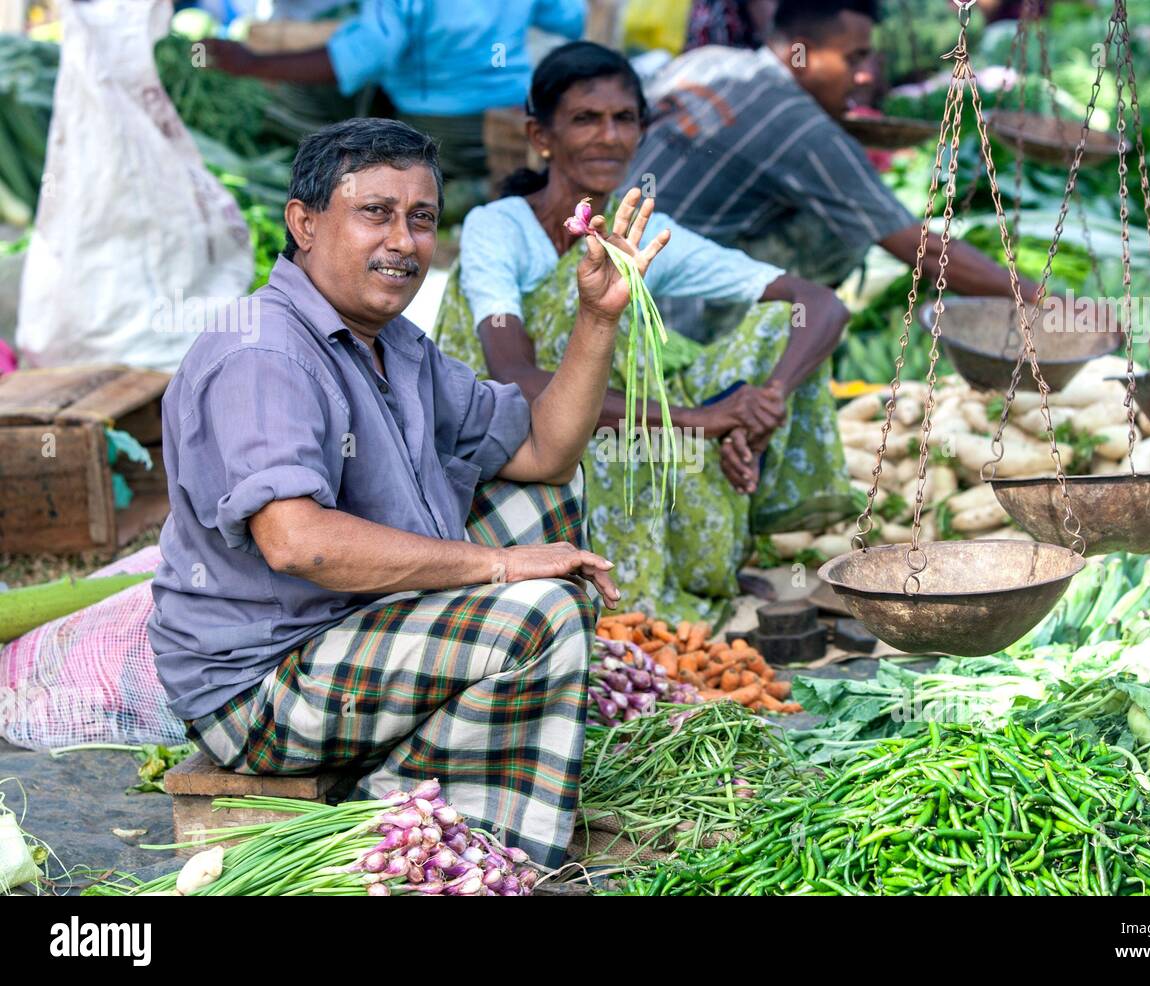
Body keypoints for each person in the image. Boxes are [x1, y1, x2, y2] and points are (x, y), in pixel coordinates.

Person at [147, 117, 669, 867]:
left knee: (545, 506)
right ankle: (446, 843)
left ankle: (406, 776)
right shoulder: (261, 352)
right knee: (540, 607)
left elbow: (547, 454)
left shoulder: (395, 343)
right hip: (262, 687)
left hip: (352, 633)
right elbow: (299, 541)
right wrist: (497, 567)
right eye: (375, 213)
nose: (403, 242)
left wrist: (597, 316)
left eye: (420, 219)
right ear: (304, 222)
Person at [433, 42, 855, 625]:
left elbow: (820, 303)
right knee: (597, 297)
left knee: (781, 322)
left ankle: (736, 489)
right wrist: (701, 419)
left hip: (626, 425)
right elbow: (517, 380)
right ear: (541, 136)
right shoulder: (497, 229)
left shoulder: (645, 234)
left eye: (623, 119)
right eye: (585, 118)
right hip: (512, 441)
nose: (608, 136)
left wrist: (764, 404)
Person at [628, 0, 1040, 342]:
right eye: (853, 59)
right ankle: (737, 342)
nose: (865, 76)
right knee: (848, 229)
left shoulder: (707, 60)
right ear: (802, 54)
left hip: (598, 258)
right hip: (659, 309)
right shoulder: (800, 126)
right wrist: (1037, 297)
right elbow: (918, 246)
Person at [200, 1, 586, 183]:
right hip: (514, 110)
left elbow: (367, 53)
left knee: (299, 98)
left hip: (440, 125)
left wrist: (252, 64)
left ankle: (448, 183)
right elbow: (570, 16)